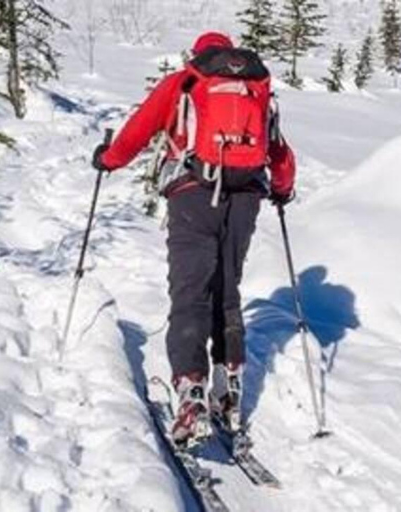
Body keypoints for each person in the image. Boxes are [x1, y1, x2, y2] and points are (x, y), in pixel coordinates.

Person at [92, 31, 296, 445]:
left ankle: (191, 392)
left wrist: (109, 159)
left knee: (190, 291)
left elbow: (139, 129)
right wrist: (282, 188)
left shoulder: (185, 81)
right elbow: (277, 149)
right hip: (245, 196)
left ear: (198, 55)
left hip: (193, 193)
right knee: (227, 288)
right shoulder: (256, 87)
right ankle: (229, 386)